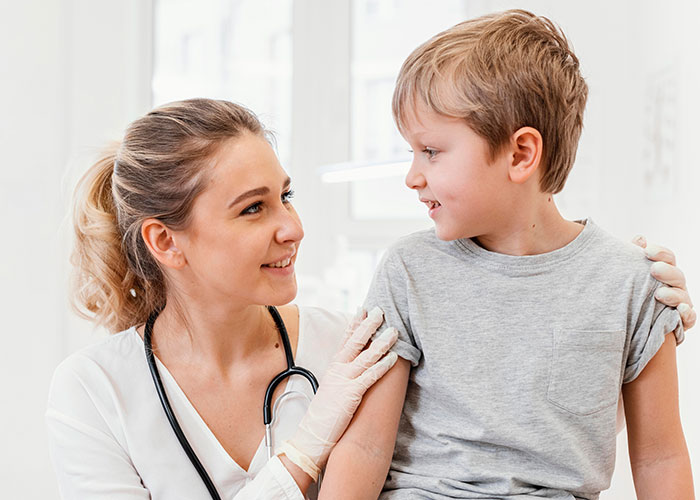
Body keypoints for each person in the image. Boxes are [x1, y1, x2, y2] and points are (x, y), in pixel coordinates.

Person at [319, 10, 695, 499]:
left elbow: (660, 457)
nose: (412, 176)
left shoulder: (635, 285)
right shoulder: (407, 271)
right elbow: (366, 449)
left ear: (520, 154)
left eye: (430, 151)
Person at [46, 99, 399, 499]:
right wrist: (305, 450)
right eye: (253, 208)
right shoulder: (94, 390)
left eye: (286, 196)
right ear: (165, 241)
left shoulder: (350, 352)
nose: (293, 228)